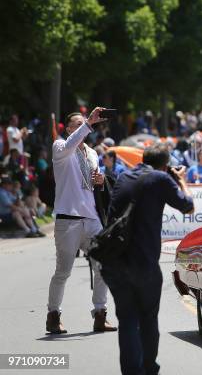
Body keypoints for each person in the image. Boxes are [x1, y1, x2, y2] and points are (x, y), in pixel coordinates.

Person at [102, 143, 194, 375]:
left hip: (114, 260)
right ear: (165, 165)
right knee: (147, 317)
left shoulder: (124, 176)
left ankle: (132, 371)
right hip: (143, 263)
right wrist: (181, 180)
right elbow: (189, 206)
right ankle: (149, 369)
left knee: (127, 319)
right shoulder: (160, 179)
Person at [46, 108, 116, 334]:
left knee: (103, 265)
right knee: (63, 271)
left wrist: (100, 179)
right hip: (68, 219)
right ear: (67, 129)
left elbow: (95, 181)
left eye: (82, 124)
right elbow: (70, 145)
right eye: (75, 124)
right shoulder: (60, 147)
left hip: (91, 217)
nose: (81, 126)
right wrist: (88, 122)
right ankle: (53, 315)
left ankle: (100, 313)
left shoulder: (92, 153)